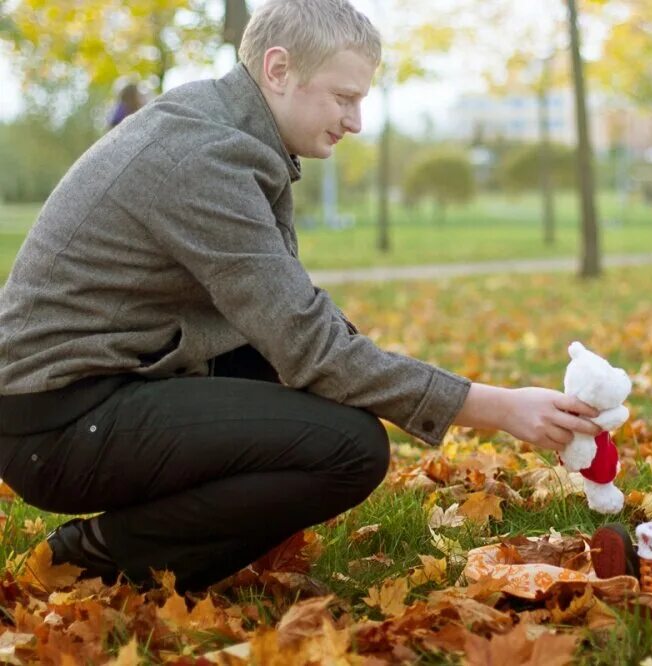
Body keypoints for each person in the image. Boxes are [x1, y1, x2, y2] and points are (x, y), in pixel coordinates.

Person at [0, 0, 599, 592]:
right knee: (349, 448)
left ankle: (157, 546)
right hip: (56, 424)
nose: (356, 121)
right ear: (279, 70)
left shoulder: (222, 129)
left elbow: (295, 322)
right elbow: (311, 348)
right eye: (344, 98)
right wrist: (497, 407)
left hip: (105, 388)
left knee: (302, 390)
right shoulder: (202, 157)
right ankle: (90, 557)